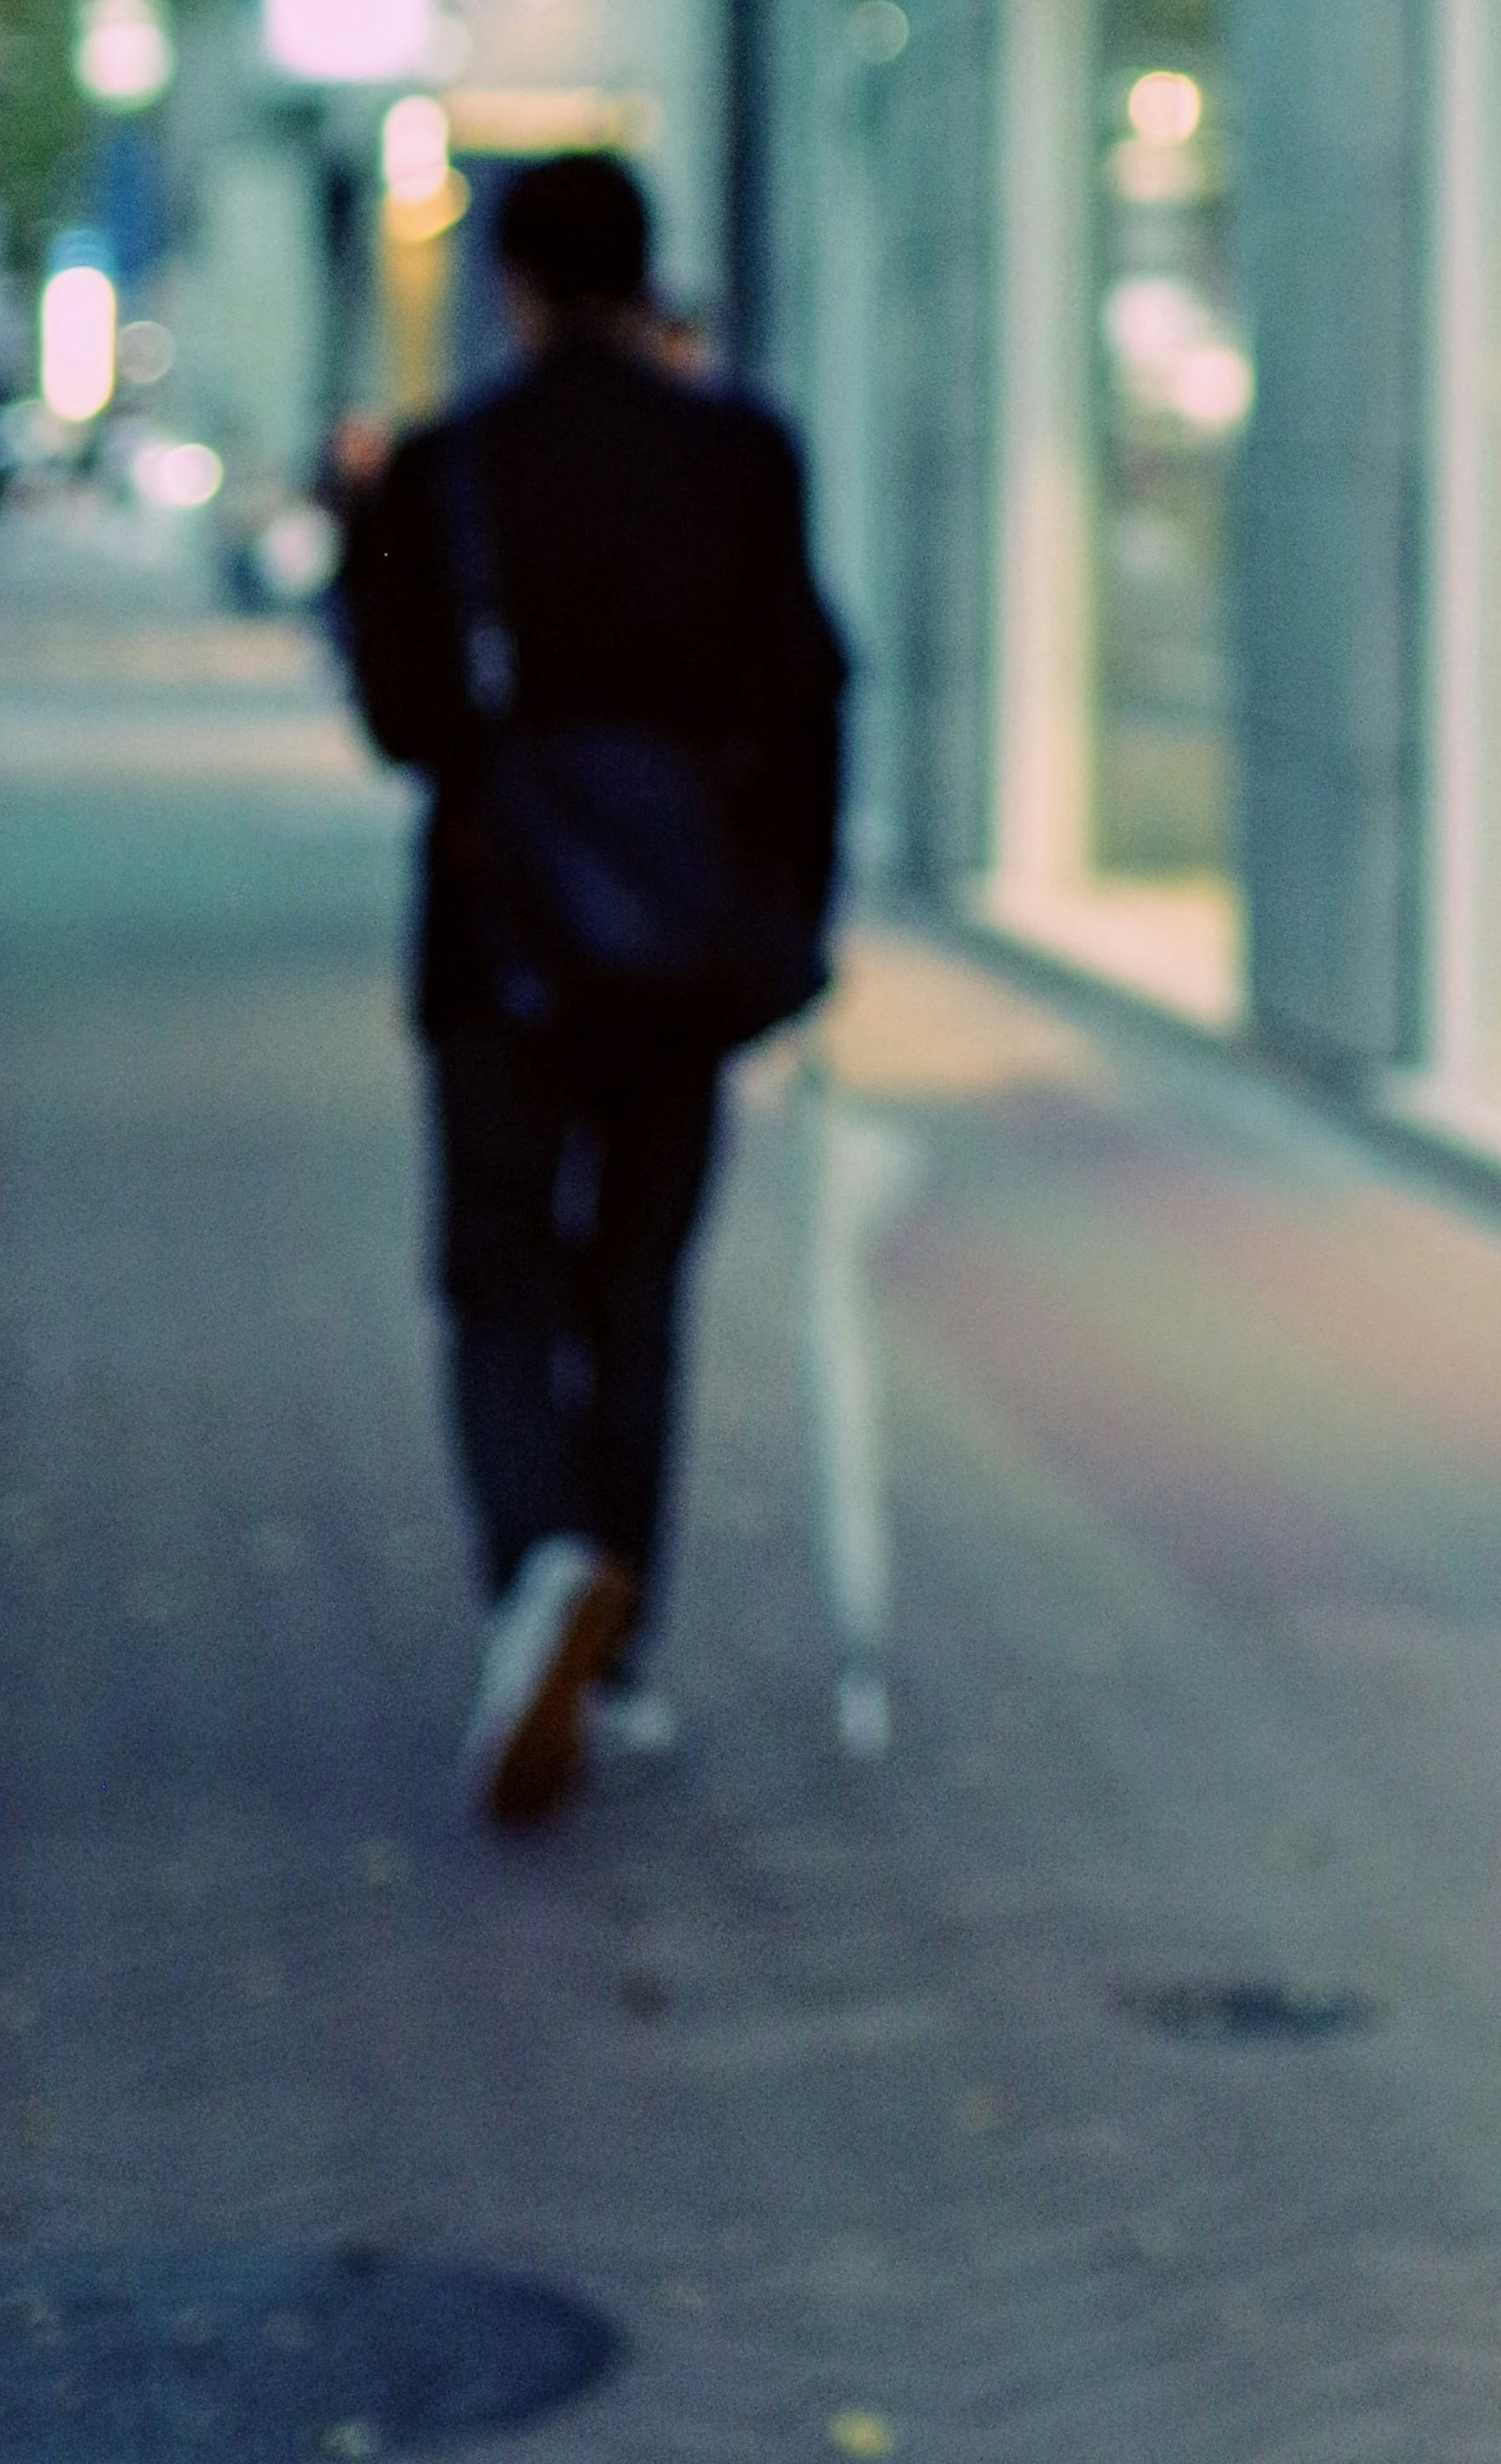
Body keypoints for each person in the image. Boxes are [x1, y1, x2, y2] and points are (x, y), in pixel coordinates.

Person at [336, 152, 848, 1827]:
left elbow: (404, 720)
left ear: (512, 280)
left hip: (500, 946)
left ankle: (539, 1570)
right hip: (684, 954)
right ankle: (613, 1651)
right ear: (646, 274)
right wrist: (794, 925)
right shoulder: (741, 455)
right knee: (636, 1288)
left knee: (496, 1278)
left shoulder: (446, 467)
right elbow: (811, 698)